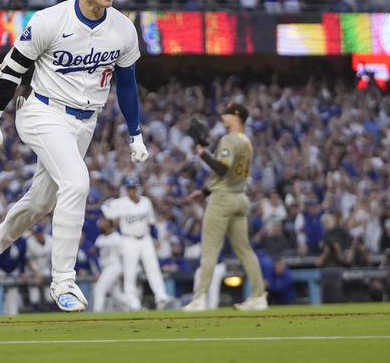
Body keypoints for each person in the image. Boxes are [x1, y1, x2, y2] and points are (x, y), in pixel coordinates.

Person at [0, 0, 147, 312]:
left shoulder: (123, 28)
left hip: (84, 123)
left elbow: (127, 84)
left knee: (40, 203)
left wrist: (136, 132)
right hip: (41, 112)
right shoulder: (51, 20)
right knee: (77, 183)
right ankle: (63, 280)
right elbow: (13, 68)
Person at [182, 102, 268, 312]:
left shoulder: (229, 139)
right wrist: (203, 192)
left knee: (210, 250)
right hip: (239, 197)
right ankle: (259, 297)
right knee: (245, 251)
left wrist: (203, 153)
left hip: (222, 199)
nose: (223, 115)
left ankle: (200, 298)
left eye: (228, 113)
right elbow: (228, 175)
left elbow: (221, 169)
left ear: (236, 117)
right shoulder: (246, 141)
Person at [101, 177, 173, 310]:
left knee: (153, 268)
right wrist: (112, 199)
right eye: (129, 188)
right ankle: (132, 301)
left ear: (137, 188)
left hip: (145, 239)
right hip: (129, 240)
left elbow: (152, 222)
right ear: (126, 190)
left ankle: (161, 297)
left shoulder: (145, 202)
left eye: (134, 187)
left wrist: (156, 238)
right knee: (130, 272)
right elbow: (105, 207)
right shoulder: (120, 203)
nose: (132, 190)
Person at [92, 217, 127, 312]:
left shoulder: (116, 237)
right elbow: (94, 253)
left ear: (110, 224)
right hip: (106, 268)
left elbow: (123, 254)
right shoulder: (100, 238)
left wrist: (124, 269)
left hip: (114, 267)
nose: (102, 224)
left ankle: (97, 313)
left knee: (99, 290)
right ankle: (136, 306)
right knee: (116, 294)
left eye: (104, 222)